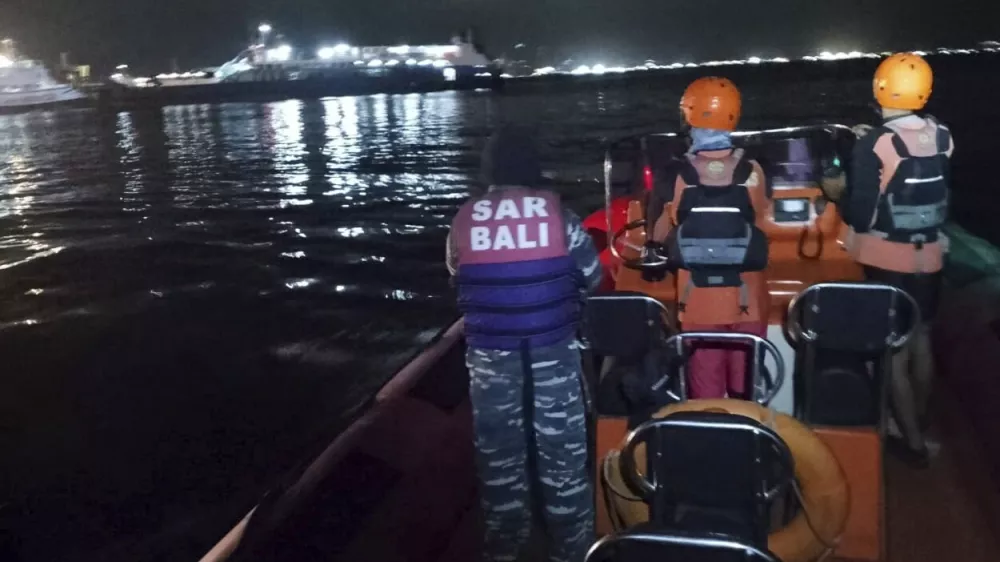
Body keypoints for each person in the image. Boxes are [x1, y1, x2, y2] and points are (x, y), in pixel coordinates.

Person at [446, 125, 603, 562]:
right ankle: (572, 551)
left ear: (488, 170)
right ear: (532, 169)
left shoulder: (463, 221)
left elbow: (459, 277)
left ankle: (505, 550)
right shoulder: (560, 217)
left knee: (499, 462)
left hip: (490, 363)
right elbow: (593, 278)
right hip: (553, 355)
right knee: (564, 462)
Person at [837, 52, 953, 468]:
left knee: (894, 353)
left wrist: (839, 194)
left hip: (889, 262)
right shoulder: (941, 134)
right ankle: (918, 421)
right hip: (932, 256)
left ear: (881, 88)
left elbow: (862, 214)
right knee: (921, 338)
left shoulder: (874, 144)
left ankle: (913, 444)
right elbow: (913, 153)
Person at [646, 76, 773, 400]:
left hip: (698, 304)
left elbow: (659, 235)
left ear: (690, 115)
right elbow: (759, 217)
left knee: (707, 397)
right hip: (749, 303)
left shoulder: (676, 173)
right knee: (747, 394)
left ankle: (714, 446)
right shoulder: (753, 170)